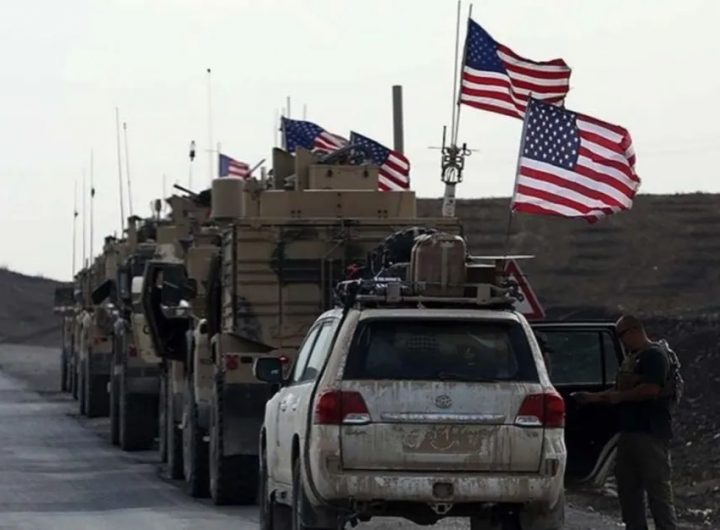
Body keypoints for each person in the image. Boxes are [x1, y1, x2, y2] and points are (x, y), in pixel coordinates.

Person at [573, 315, 678, 530]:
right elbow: (620, 388)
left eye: (622, 335)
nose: (622, 341)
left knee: (657, 489)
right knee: (629, 489)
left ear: (634, 331)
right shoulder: (633, 358)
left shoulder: (654, 356)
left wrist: (619, 397)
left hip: (650, 432)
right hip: (630, 432)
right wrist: (594, 398)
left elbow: (651, 389)